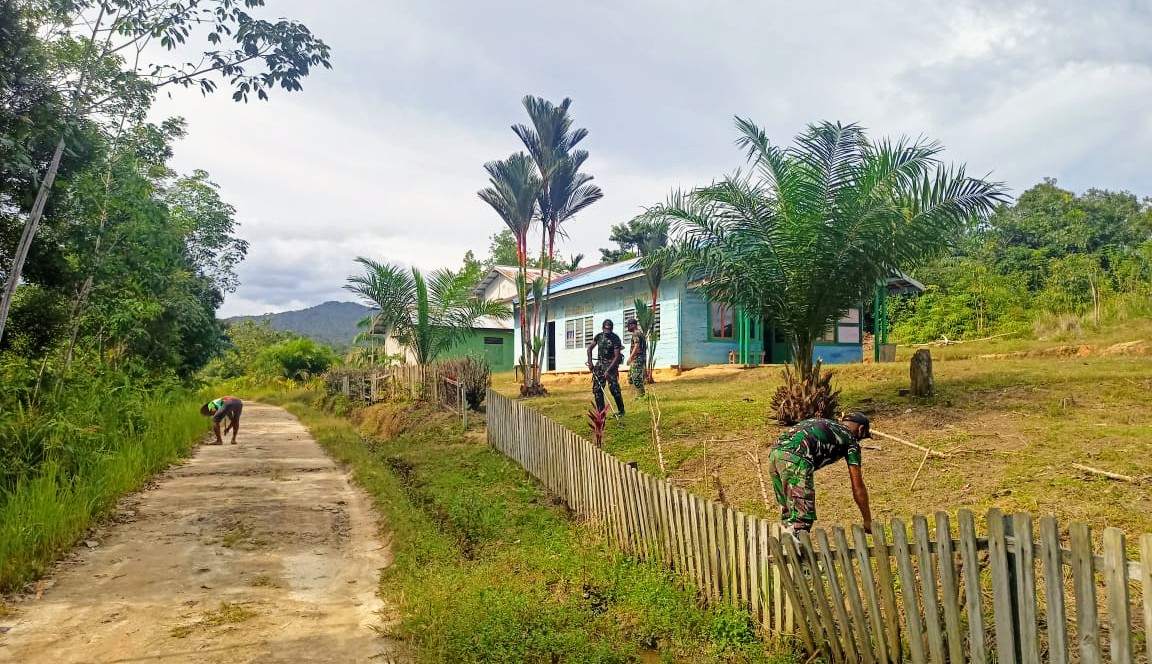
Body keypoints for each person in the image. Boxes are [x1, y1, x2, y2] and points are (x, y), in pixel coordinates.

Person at [767, 413, 873, 539]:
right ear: (861, 429)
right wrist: (867, 520)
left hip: (775, 455)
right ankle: (795, 551)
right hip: (796, 458)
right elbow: (858, 486)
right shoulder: (851, 440)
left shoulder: (827, 423)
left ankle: (785, 544)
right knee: (802, 516)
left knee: (789, 513)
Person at [586, 319, 626, 417]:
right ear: (603, 328)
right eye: (605, 328)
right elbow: (589, 348)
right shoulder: (599, 336)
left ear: (611, 328)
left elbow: (617, 357)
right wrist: (590, 362)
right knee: (597, 390)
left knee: (614, 389)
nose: (607, 331)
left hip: (611, 365)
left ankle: (621, 411)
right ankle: (601, 414)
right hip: (599, 365)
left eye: (609, 329)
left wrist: (608, 370)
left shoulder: (615, 338)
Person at [624, 318, 647, 398]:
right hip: (639, 358)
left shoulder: (636, 334)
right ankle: (633, 394)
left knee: (636, 378)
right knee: (631, 377)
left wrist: (630, 357)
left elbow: (636, 346)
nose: (628, 328)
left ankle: (641, 396)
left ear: (633, 325)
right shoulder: (640, 333)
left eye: (629, 326)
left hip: (637, 359)